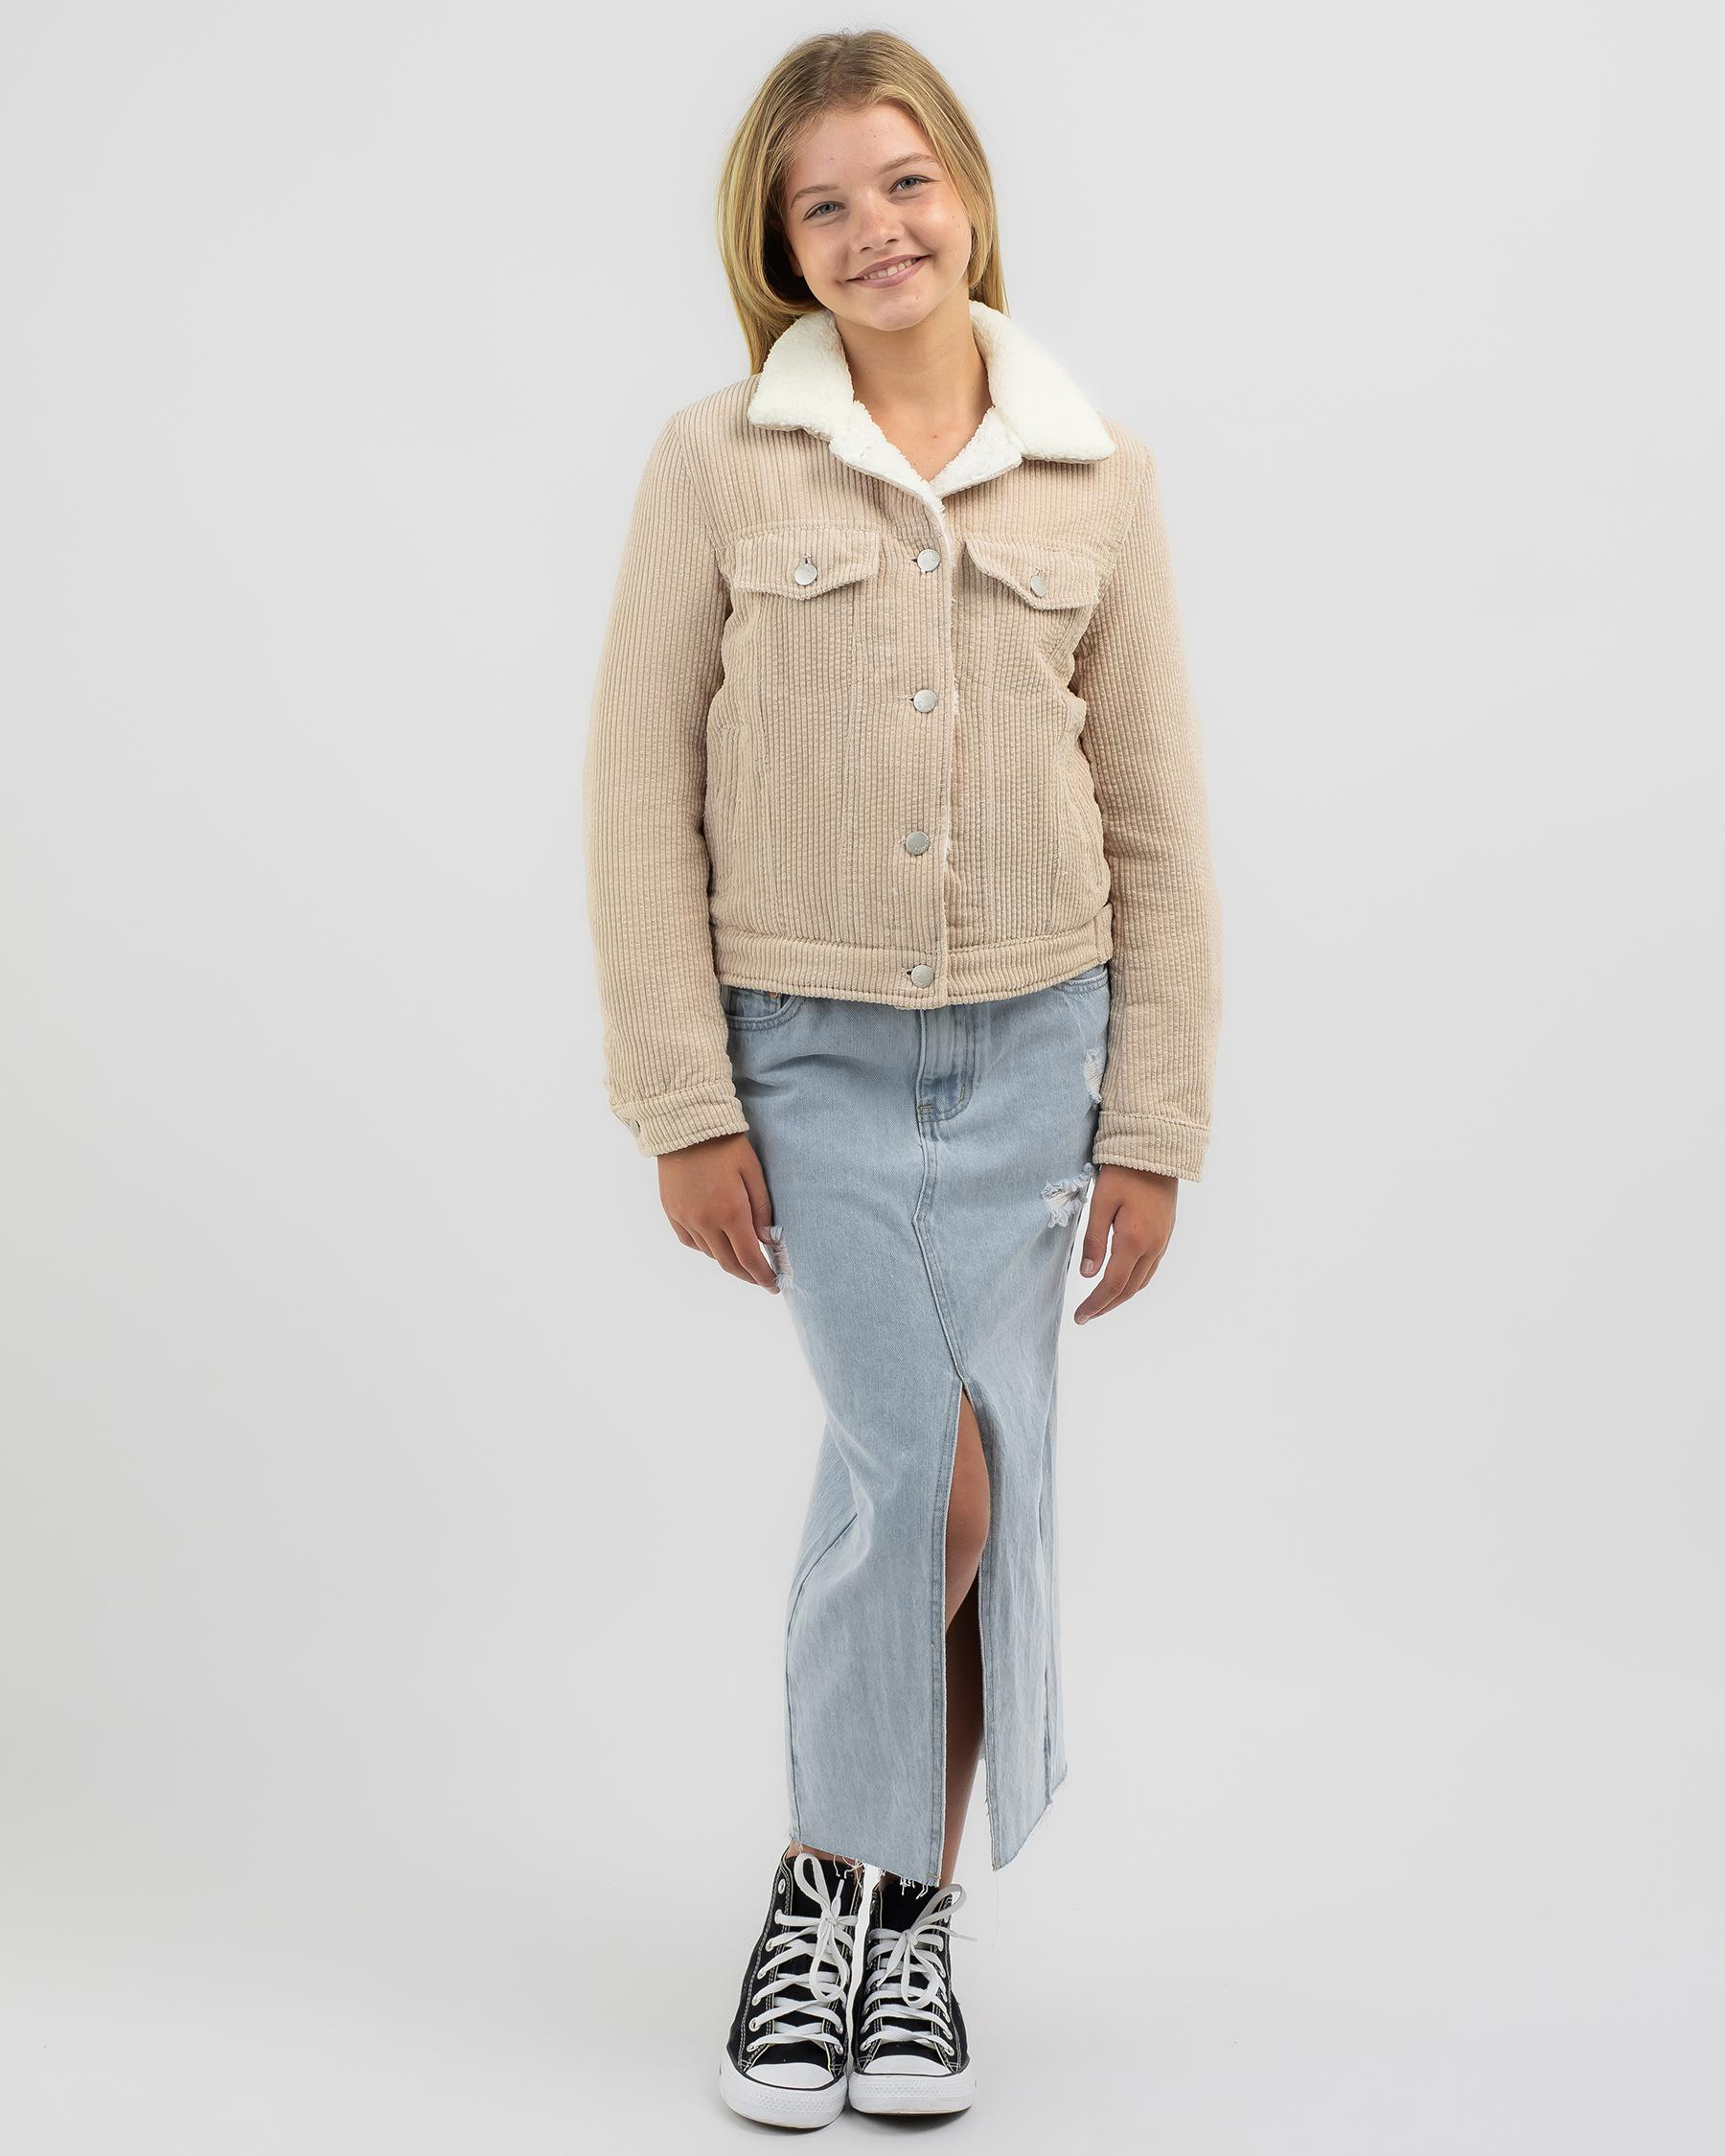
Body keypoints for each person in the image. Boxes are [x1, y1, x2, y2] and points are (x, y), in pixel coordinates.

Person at [582, 29, 1223, 2131]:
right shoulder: (717, 465)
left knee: (979, 1488)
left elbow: (1159, 823)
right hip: (809, 1055)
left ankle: (892, 1933)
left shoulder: (1098, 474)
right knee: (922, 1474)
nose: (876, 230)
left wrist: (1153, 1125)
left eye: (905, 181)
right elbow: (634, 793)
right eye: (824, 204)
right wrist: (684, 1097)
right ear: (778, 247)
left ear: (970, 194)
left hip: (1041, 1056)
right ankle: (826, 1880)